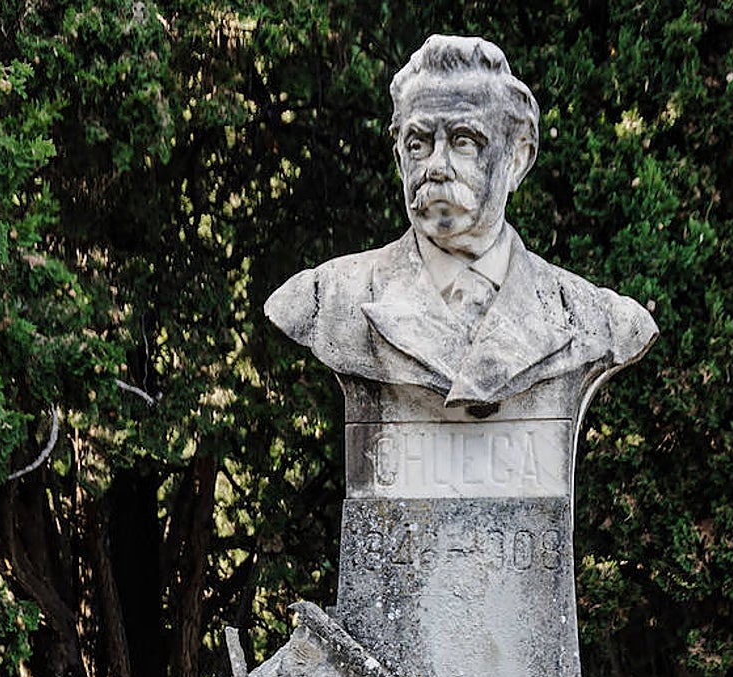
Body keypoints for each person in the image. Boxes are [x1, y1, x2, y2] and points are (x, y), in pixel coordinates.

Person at [265, 34, 656, 408]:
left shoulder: (595, 319)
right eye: (417, 144)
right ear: (400, 160)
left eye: (463, 141)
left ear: (518, 157)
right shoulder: (328, 298)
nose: (436, 167)